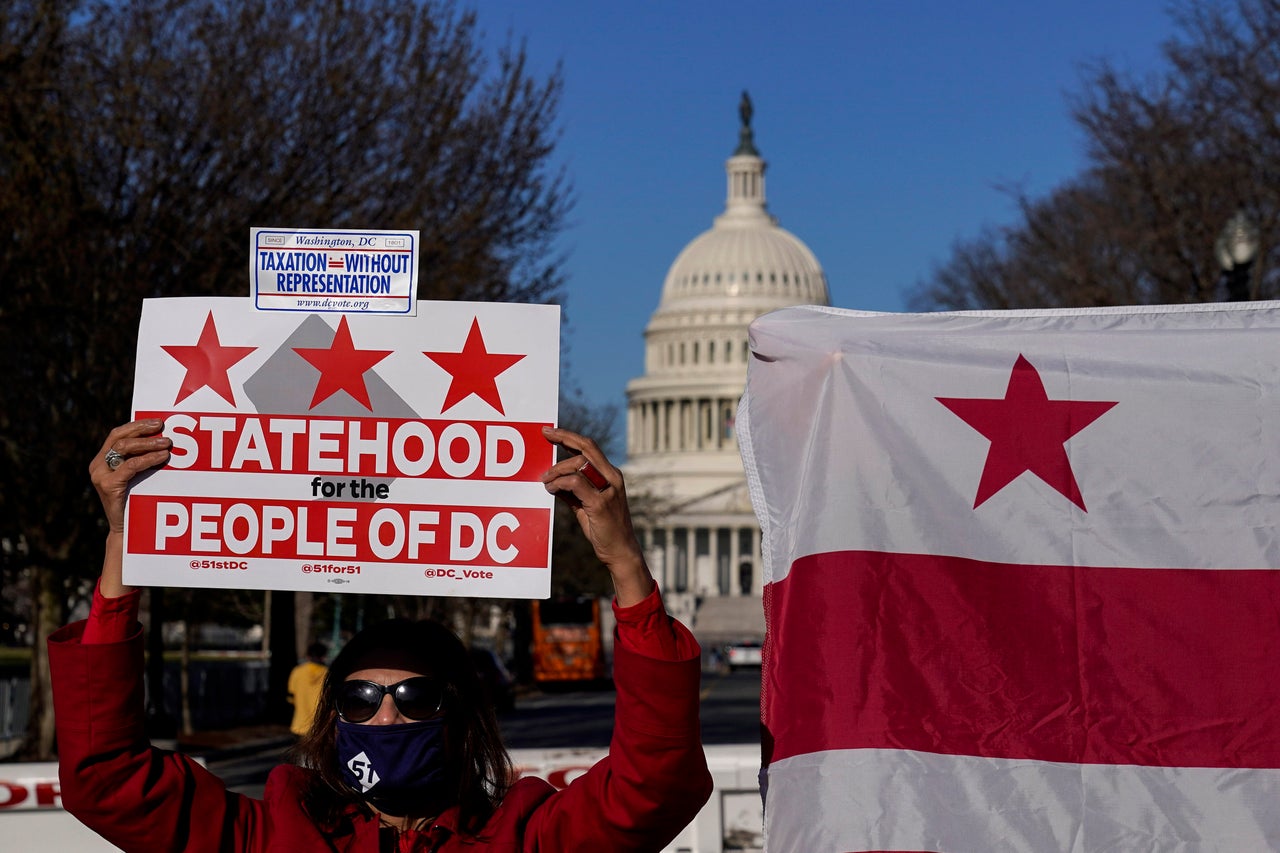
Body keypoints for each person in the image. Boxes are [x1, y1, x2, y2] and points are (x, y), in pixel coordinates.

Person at [51, 418, 713, 851]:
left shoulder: (525, 838)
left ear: (460, 713)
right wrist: (123, 539)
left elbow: (656, 784)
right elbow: (106, 779)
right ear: (333, 713)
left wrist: (624, 561)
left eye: (417, 697)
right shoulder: (272, 836)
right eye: (361, 699)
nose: (387, 714)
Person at [287, 641, 328, 738]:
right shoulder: (328, 674)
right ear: (323, 656)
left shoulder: (297, 672)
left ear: (308, 656)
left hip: (299, 724)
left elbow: (290, 696)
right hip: (320, 725)